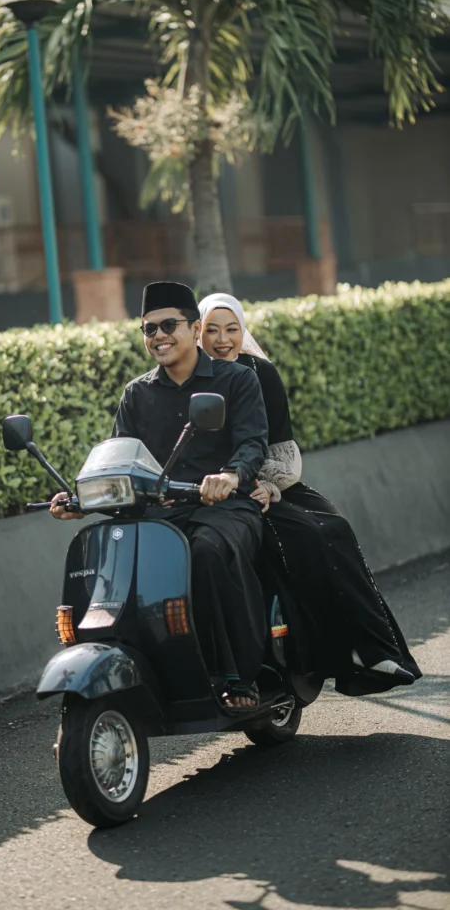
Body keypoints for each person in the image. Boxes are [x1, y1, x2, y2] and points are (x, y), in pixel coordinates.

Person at [51, 281, 269, 709]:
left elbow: (253, 445)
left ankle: (240, 675)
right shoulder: (138, 393)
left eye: (169, 325)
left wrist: (230, 475)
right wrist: (77, 500)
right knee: (114, 554)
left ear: (195, 328)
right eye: (149, 329)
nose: (158, 336)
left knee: (206, 551)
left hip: (224, 507)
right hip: (159, 512)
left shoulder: (237, 379)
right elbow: (119, 458)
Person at [198, 292, 421, 696]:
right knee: (306, 538)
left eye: (232, 329)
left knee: (333, 527)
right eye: (211, 330)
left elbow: (278, 444)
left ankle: (373, 650)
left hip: (273, 482)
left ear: (243, 330)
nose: (222, 339)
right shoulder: (190, 381)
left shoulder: (260, 372)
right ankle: (335, 656)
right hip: (227, 494)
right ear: (198, 332)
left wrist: (268, 484)